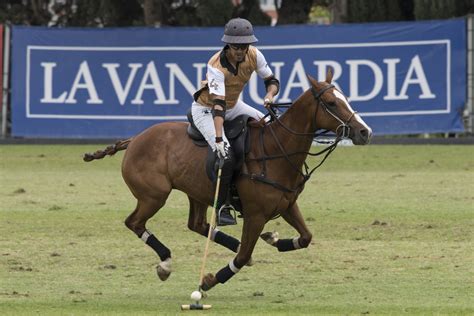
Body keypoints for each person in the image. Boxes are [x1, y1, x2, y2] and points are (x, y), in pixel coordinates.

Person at [191, 18, 279, 226]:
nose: (240, 51)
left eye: (244, 46)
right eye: (236, 46)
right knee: (226, 155)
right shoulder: (216, 66)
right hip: (207, 110)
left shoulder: (255, 55)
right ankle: (222, 206)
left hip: (234, 105)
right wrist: (219, 138)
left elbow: (272, 81)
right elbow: (219, 105)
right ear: (228, 44)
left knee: (270, 127)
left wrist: (269, 96)